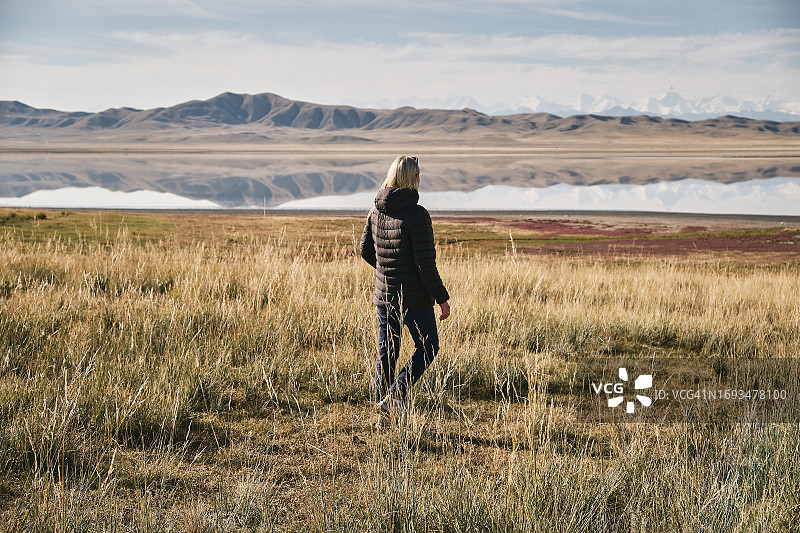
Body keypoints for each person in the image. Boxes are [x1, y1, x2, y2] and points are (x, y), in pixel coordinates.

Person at [360, 155, 450, 424]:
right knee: (429, 347)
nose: (421, 178)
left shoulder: (376, 210)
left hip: (384, 295)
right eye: (419, 174)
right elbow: (425, 264)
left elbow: (365, 250)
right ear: (413, 177)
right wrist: (442, 298)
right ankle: (396, 394)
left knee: (387, 352)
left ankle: (383, 410)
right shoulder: (417, 214)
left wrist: (387, 271)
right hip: (414, 297)